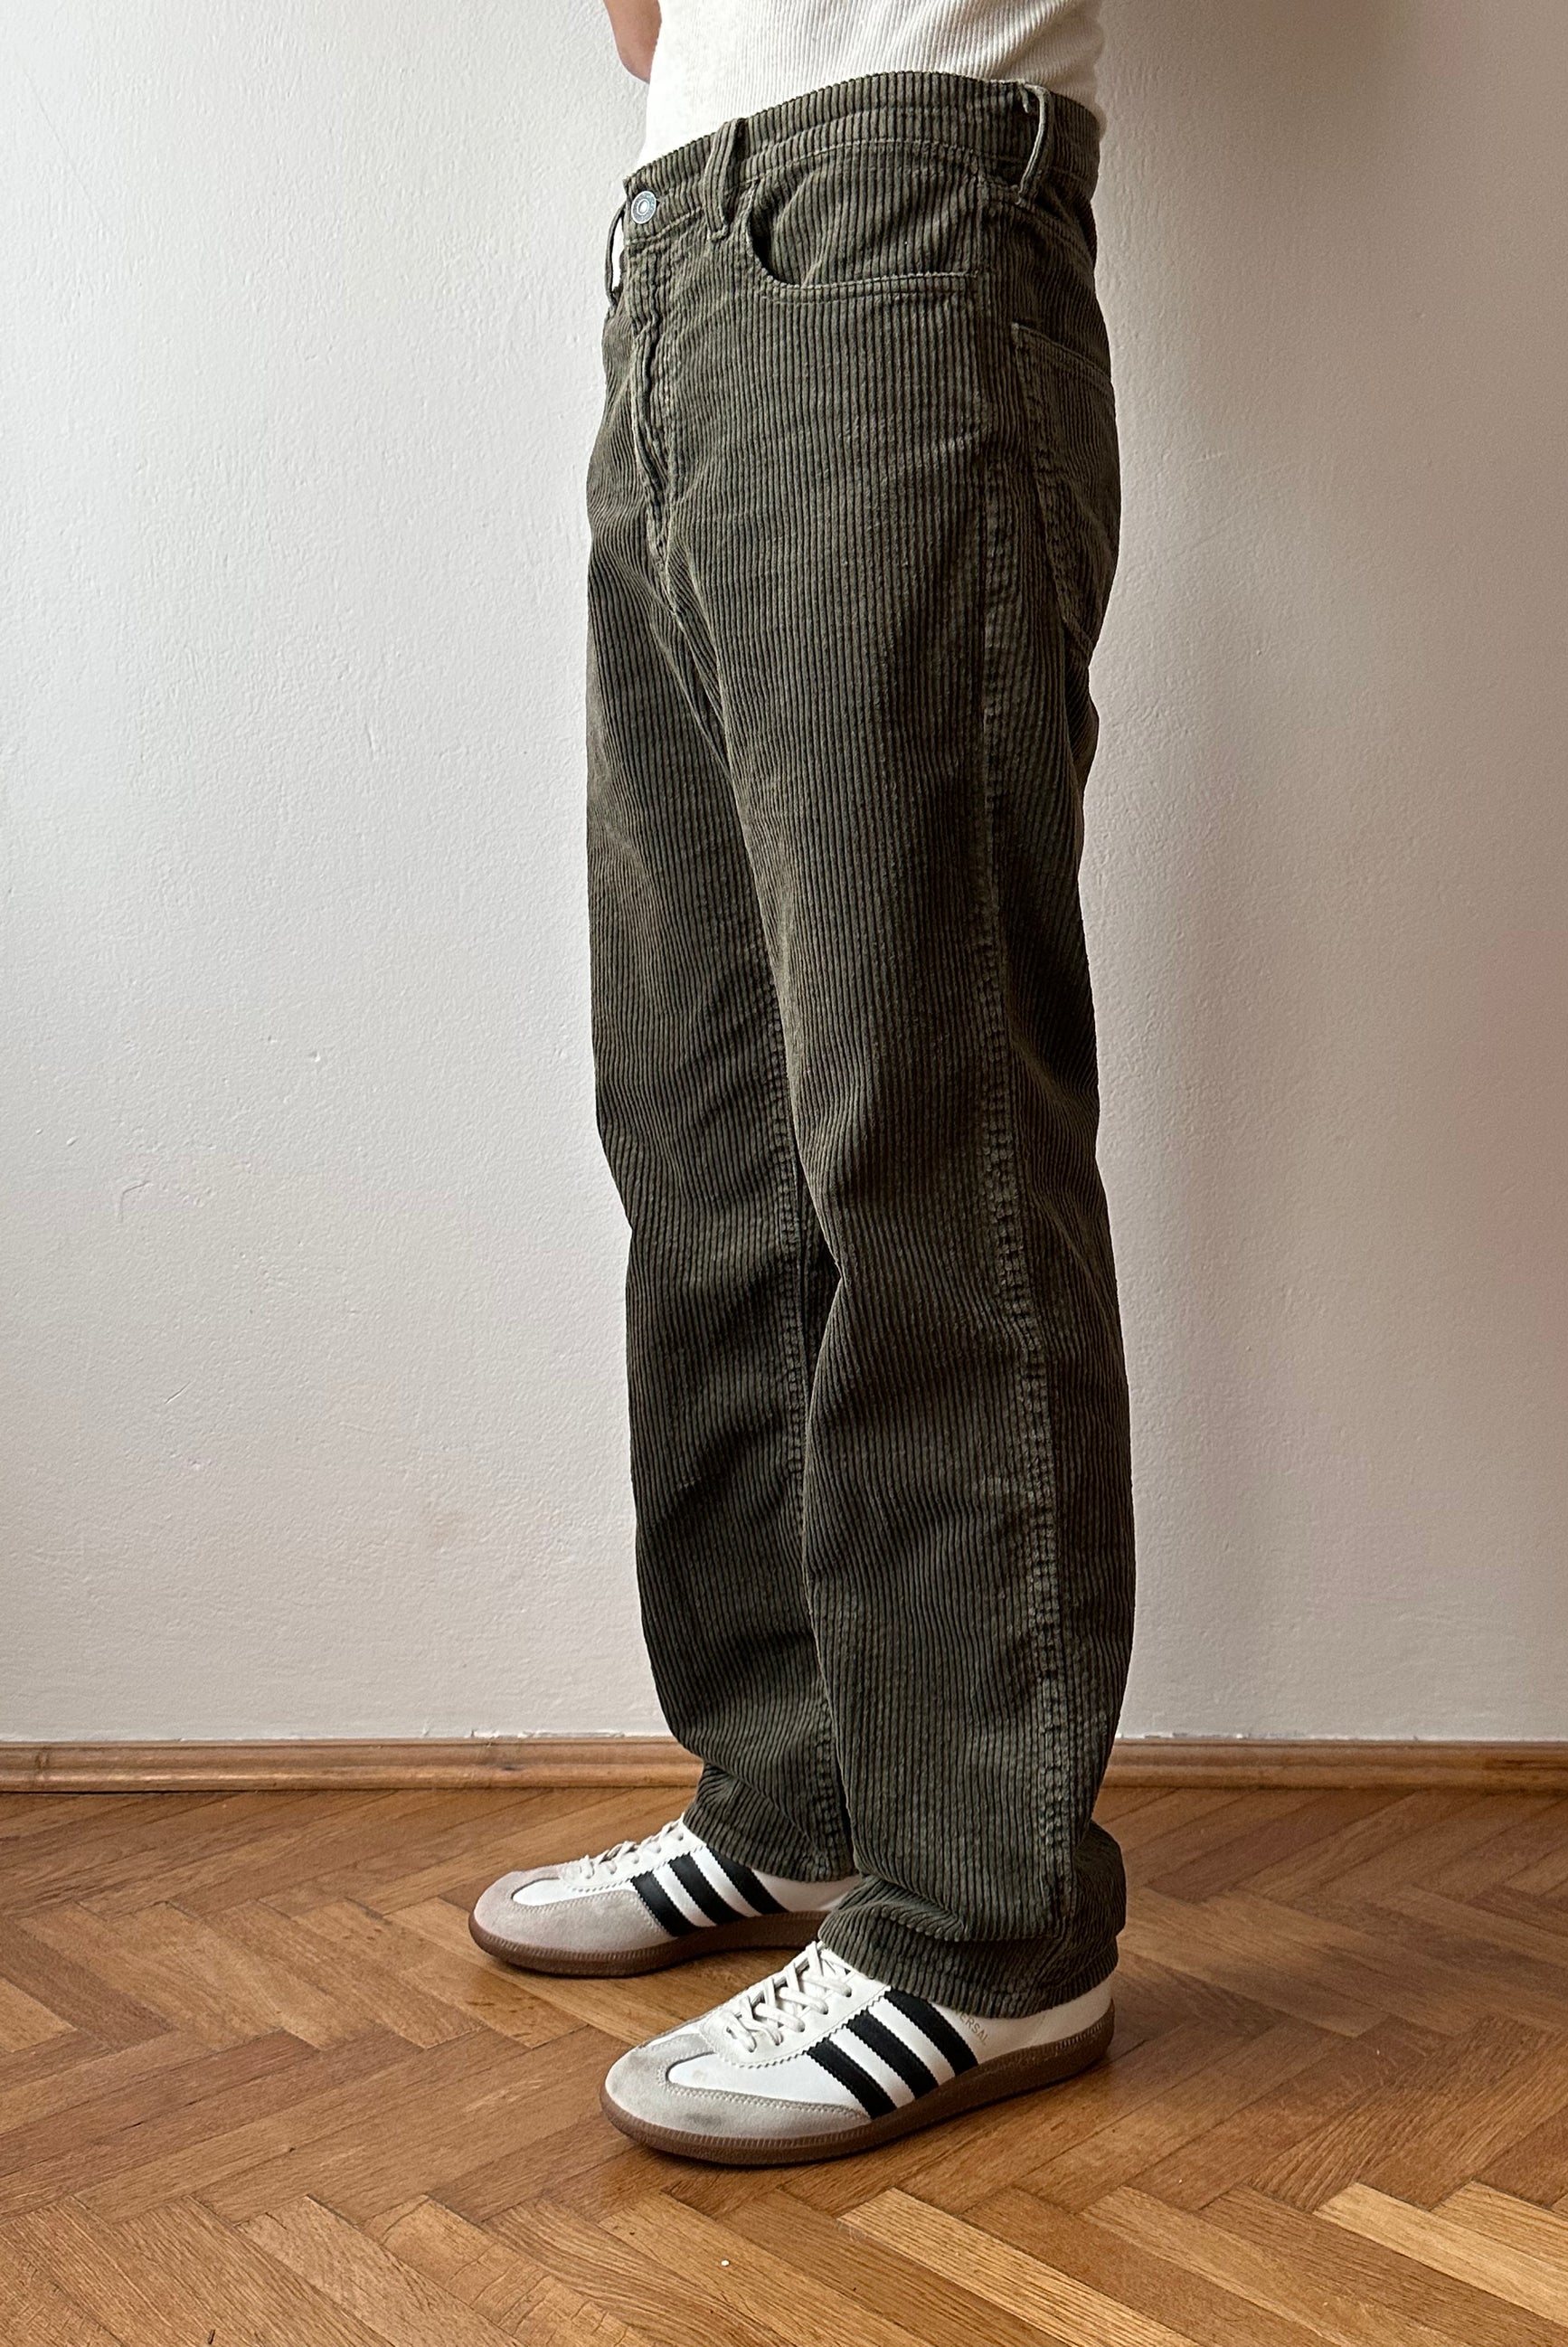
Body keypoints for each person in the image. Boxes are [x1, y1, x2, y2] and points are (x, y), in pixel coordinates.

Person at [470, 0, 1135, 2166]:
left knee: (915, 1116)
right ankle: (796, 1796)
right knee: (707, 1130)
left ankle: (985, 1922)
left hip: (906, 206)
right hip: (681, 241)